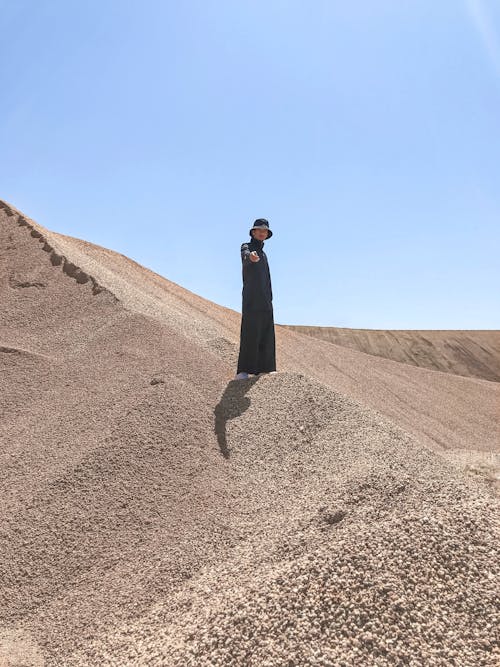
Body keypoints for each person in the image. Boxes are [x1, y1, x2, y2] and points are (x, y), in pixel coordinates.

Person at [235, 218, 277, 380]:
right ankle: (243, 370)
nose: (262, 232)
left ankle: (266, 368)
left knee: (267, 333)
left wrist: (270, 298)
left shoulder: (264, 253)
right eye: (259, 230)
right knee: (250, 332)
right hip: (252, 298)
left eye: (264, 231)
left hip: (266, 299)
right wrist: (250, 258)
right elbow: (246, 255)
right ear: (253, 232)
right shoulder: (247, 247)